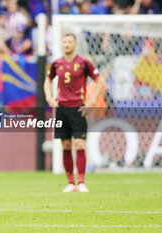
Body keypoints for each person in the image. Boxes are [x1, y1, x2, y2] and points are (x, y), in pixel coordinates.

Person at [44, 33, 105, 193]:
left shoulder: (84, 63)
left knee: (79, 144)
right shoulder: (56, 64)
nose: (67, 44)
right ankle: (71, 183)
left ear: (75, 44)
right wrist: (49, 98)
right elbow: (48, 79)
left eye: (70, 42)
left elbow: (100, 80)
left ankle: (82, 182)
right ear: (62, 44)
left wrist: (91, 102)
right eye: (64, 42)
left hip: (79, 108)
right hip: (62, 108)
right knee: (66, 145)